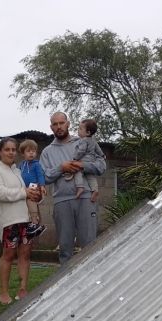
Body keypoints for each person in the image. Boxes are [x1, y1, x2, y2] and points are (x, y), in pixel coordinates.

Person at [40, 112, 107, 265]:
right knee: (65, 249)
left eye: (61, 123)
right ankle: (65, 284)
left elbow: (102, 165)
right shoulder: (47, 152)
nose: (59, 127)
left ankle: (92, 284)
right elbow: (43, 177)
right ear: (51, 127)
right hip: (62, 202)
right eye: (55, 124)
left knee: (90, 247)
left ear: (68, 124)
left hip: (86, 199)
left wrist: (82, 165)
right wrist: (61, 168)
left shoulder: (85, 142)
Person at [0, 137, 43, 304]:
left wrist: (35, 195)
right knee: (8, 255)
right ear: (0, 151)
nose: (11, 152)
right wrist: (24, 192)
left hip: (25, 219)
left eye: (13, 149)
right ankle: (3, 292)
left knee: (25, 254)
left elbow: (26, 193)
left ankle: (23, 288)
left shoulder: (17, 171)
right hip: (9, 221)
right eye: (7, 149)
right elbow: (0, 193)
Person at [66, 119, 105, 202]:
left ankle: (80, 187)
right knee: (91, 177)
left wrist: (75, 158)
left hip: (83, 162)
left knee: (78, 172)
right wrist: (102, 155)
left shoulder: (84, 140)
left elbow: (81, 151)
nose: (78, 130)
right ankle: (95, 190)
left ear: (88, 133)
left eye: (80, 129)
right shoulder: (93, 141)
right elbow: (98, 150)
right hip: (91, 162)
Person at [18, 139, 47, 238]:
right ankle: (33, 222)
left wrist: (42, 186)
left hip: (34, 186)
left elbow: (40, 175)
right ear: (23, 153)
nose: (31, 153)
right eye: (28, 151)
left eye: (33, 151)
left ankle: (35, 222)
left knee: (31, 202)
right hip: (24, 188)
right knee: (26, 205)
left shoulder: (36, 164)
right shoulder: (22, 165)